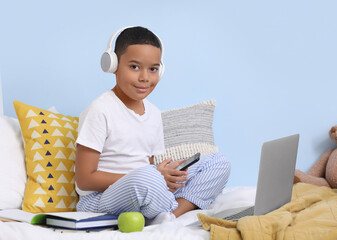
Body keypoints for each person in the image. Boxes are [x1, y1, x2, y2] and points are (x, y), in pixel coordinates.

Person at [75, 26, 231, 224]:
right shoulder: (100, 110)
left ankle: (171, 216)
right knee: (147, 178)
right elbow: (85, 179)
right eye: (134, 67)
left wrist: (167, 177)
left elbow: (147, 165)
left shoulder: (154, 114)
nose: (144, 78)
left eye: (153, 69)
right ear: (113, 65)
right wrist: (154, 177)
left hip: (144, 186)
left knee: (218, 162)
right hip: (99, 199)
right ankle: (164, 209)